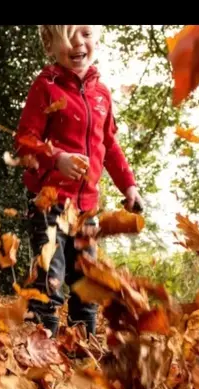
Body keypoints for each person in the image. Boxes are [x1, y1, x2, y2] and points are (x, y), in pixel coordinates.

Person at [15, 25, 145, 337]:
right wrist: (56, 157)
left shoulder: (101, 93)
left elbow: (109, 145)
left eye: (85, 33)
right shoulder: (46, 86)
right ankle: (39, 348)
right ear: (51, 45)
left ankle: (82, 349)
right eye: (68, 35)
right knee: (51, 277)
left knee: (87, 283)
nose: (78, 42)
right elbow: (25, 141)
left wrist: (129, 186)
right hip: (49, 203)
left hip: (86, 210)